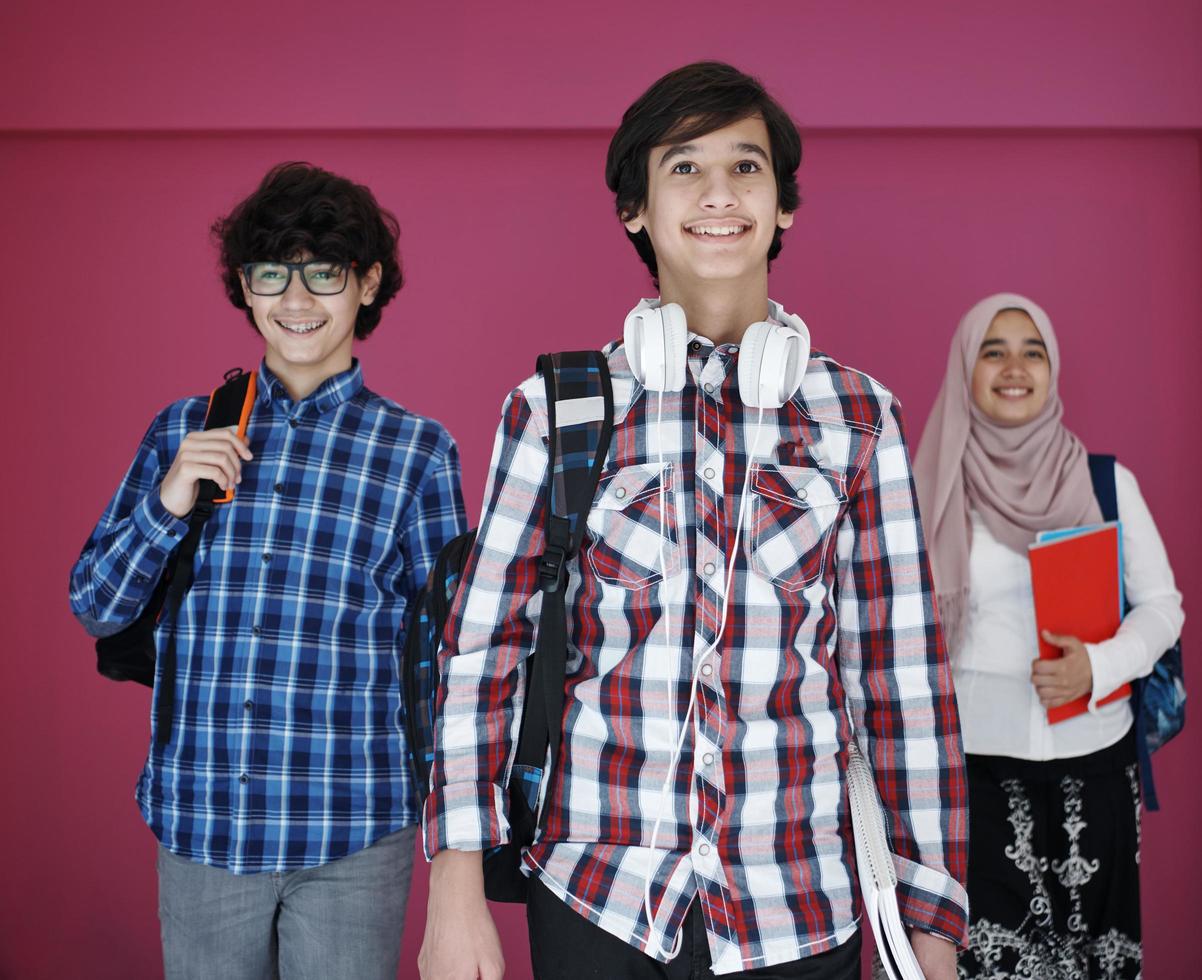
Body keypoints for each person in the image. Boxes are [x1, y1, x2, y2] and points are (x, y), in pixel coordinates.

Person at [419, 62, 967, 980]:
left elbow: (901, 685)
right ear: (636, 207)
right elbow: (482, 657)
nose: (719, 193)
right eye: (683, 167)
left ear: (784, 205)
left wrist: (933, 928)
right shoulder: (555, 410)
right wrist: (455, 893)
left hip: (796, 911)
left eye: (745, 168)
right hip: (598, 898)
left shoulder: (860, 420)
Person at [69, 162, 467, 980]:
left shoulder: (418, 452)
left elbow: (450, 656)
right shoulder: (184, 429)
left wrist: (456, 836)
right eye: (271, 272)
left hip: (352, 832)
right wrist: (170, 499)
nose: (296, 298)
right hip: (202, 828)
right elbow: (96, 606)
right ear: (245, 288)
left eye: (324, 273)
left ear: (367, 284)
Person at [913, 293, 1184, 979]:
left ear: (1052, 368)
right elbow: (892, 630)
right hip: (973, 776)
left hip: (1093, 767)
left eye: (1032, 351)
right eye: (992, 351)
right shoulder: (934, 488)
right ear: (965, 370)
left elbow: (1162, 606)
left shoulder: (1104, 483)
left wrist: (1097, 665)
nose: (1015, 367)